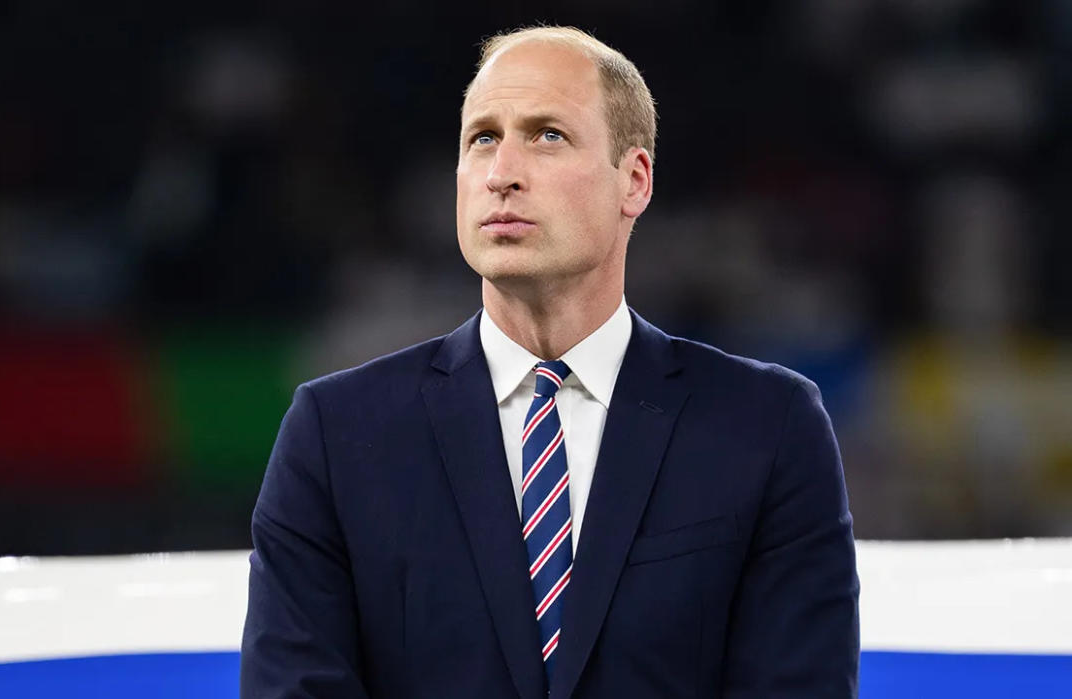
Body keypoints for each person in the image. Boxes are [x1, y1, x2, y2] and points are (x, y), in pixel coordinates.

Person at [241, 26, 859, 699]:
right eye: (482, 137)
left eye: (547, 135)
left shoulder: (767, 427)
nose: (502, 172)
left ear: (635, 180)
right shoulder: (336, 434)